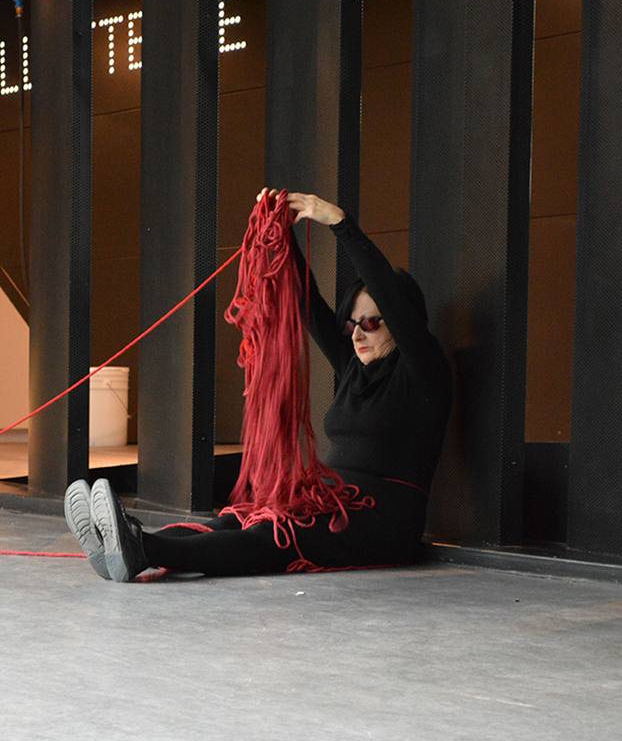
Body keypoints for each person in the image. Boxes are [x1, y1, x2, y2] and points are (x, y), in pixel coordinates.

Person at [64, 192, 452, 582]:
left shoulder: (424, 370)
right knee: (241, 517)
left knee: (275, 535)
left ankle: (142, 550)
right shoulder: (355, 368)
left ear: (402, 323)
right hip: (332, 500)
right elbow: (307, 302)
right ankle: (127, 539)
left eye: (370, 323)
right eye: (352, 324)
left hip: (381, 520)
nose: (356, 336)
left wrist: (340, 223)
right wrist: (280, 236)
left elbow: (392, 299)